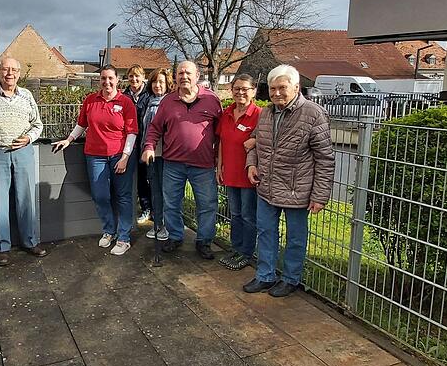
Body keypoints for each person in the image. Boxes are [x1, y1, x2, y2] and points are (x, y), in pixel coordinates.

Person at [243, 64, 335, 297]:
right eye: (272, 89)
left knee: (295, 238)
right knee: (265, 232)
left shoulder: (313, 114)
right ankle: (265, 276)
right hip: (267, 186)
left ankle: (290, 279)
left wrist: (319, 196)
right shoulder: (266, 112)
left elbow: (325, 158)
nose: (276, 93)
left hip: (298, 189)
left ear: (296, 87)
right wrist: (251, 163)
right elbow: (255, 141)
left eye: (282, 88)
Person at [52, 64, 138, 256]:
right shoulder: (91, 100)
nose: (107, 82)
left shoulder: (125, 102)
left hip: (119, 155)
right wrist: (69, 139)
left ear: (117, 80)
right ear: (99, 80)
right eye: (103, 78)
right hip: (95, 156)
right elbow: (81, 124)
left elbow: (132, 132)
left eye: (110, 78)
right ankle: (109, 230)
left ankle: (123, 237)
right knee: (100, 196)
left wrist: (125, 157)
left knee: (123, 196)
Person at [141, 61, 222, 260]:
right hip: (173, 164)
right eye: (180, 73)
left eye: (188, 73)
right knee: (171, 203)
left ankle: (204, 241)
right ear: (175, 77)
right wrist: (149, 147)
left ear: (197, 76)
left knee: (207, 204)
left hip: (203, 165)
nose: (184, 76)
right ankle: (176, 236)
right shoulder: (168, 102)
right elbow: (154, 128)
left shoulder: (211, 100)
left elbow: (221, 131)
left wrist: (220, 159)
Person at [0, 57, 47, 266]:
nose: (10, 73)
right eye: (5, 69)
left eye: (14, 70)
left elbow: (38, 124)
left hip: (23, 152)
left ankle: (30, 241)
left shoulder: (27, 95)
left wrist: (29, 138)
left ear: (19, 73)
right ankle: (2, 247)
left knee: (26, 199)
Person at [217, 75, 261, 271]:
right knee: (234, 214)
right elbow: (221, 141)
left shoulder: (259, 114)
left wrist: (256, 141)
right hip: (230, 172)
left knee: (248, 215)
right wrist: (220, 166)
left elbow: (269, 138)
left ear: (253, 91)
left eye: (245, 89)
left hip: (248, 174)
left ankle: (247, 252)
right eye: (236, 88)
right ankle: (236, 248)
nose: (240, 92)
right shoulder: (227, 113)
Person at [141, 68, 173, 241]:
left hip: (167, 155)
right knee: (155, 191)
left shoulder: (170, 102)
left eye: (161, 81)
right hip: (152, 154)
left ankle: (169, 226)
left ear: (168, 84)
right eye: (154, 81)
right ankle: (158, 223)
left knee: (167, 192)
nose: (158, 85)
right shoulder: (149, 101)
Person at [123, 64, 153, 223]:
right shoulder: (124, 95)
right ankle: (140, 207)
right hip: (129, 142)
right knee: (135, 178)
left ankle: (150, 208)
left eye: (137, 76)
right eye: (131, 76)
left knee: (147, 177)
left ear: (143, 77)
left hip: (145, 141)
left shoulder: (149, 95)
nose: (134, 79)